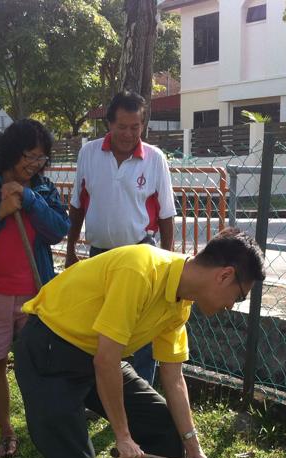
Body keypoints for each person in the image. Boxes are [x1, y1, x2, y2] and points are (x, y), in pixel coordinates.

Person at [7, 228, 266, 458]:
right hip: (51, 350)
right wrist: (123, 435)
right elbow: (107, 360)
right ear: (224, 275)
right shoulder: (141, 270)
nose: (233, 305)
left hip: (93, 354)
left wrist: (193, 446)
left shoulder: (180, 301)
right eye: (238, 296)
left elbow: (174, 378)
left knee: (162, 421)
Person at [0, 119, 69, 458]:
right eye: (29, 155)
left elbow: (59, 229)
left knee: (37, 363)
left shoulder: (42, 188)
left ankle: (42, 429)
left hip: (34, 293)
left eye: (41, 158)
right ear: (12, 151)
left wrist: (28, 200)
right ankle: (6, 431)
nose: (34, 164)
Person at [64, 90, 177, 385]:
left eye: (135, 127)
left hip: (141, 256)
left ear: (143, 125)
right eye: (122, 126)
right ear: (109, 125)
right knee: (97, 328)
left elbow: (166, 213)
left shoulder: (154, 159)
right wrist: (70, 250)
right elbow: (77, 205)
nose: (129, 134)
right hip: (99, 256)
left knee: (142, 332)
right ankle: (97, 392)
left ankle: (143, 397)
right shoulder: (88, 153)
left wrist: (169, 261)